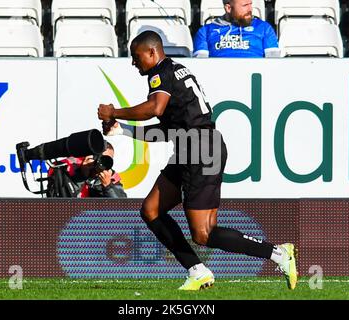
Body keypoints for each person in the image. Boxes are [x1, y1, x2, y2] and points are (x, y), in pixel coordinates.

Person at [98, 30, 297, 290]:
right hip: (189, 148)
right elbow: (168, 131)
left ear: (152, 52)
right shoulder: (175, 73)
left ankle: (278, 254)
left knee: (204, 234)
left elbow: (154, 109)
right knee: (151, 210)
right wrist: (121, 130)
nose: (133, 63)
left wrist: (114, 111)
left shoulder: (161, 74)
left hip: (201, 151)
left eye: (136, 57)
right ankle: (197, 271)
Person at [193, 0, 279, 58]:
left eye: (250, 4)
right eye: (245, 5)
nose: (250, 9)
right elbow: (201, 66)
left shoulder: (264, 28)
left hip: (253, 80)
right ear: (228, 8)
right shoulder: (205, 32)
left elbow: (273, 63)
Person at [47, 142, 127, 198]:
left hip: (96, 219)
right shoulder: (68, 167)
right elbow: (63, 199)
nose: (103, 162)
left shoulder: (110, 176)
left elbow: (122, 208)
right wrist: (81, 175)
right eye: (102, 158)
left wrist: (108, 186)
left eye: (108, 159)